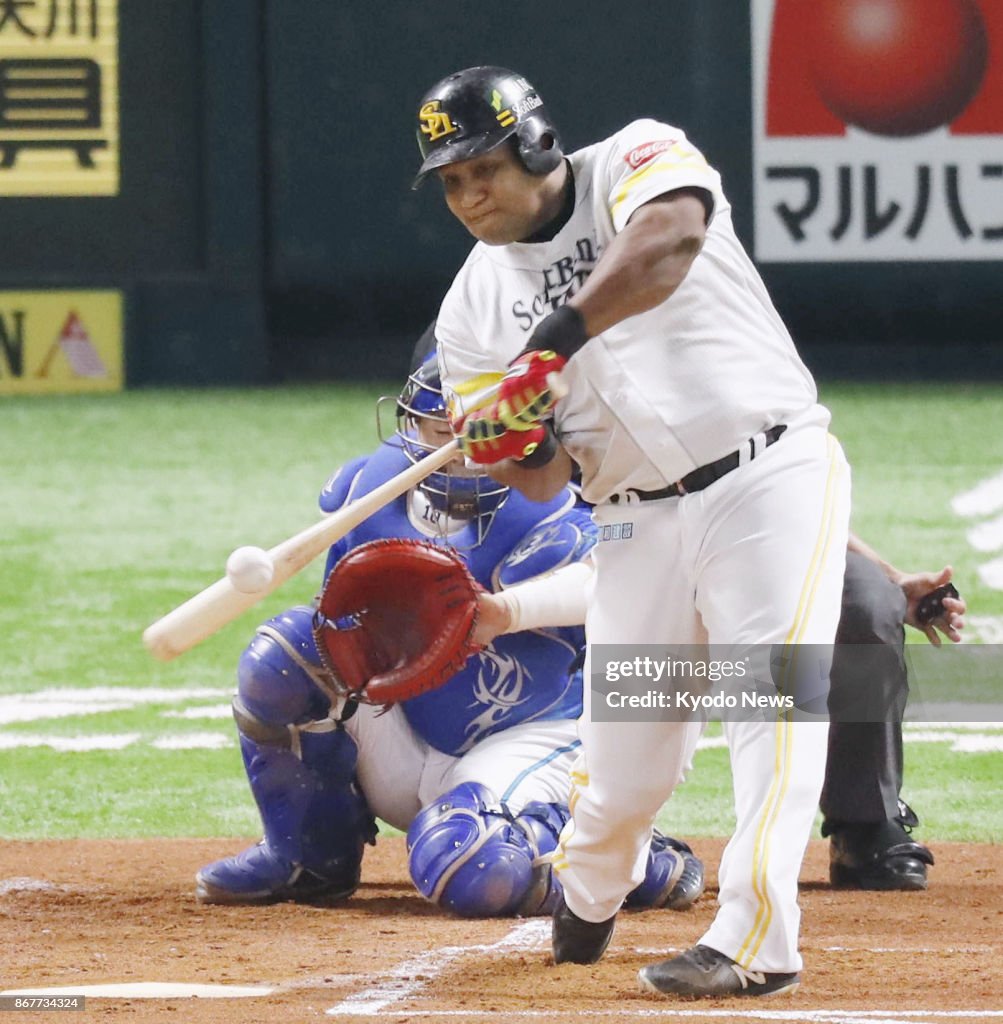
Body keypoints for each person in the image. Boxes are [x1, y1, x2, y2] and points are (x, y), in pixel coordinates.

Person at [414, 66, 852, 997]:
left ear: (534, 144)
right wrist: (512, 437)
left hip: (765, 475)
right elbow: (537, 480)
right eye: (449, 181)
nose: (468, 195)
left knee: (769, 709)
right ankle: (590, 885)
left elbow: (671, 240)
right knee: (623, 763)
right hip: (630, 522)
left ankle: (755, 937)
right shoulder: (471, 307)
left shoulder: (632, 160)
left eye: (480, 167)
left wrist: (549, 346)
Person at [195, 357, 704, 919]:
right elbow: (337, 631)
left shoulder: (576, 490)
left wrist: (502, 611)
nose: (457, 450)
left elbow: (604, 584)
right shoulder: (370, 489)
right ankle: (309, 859)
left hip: (533, 733)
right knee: (287, 657)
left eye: (479, 434)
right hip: (406, 729)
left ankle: (623, 861)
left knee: (471, 868)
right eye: (439, 431)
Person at [823, 536, 965, 890]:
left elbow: (811, 502)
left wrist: (893, 577)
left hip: (769, 529)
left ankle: (863, 821)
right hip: (666, 534)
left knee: (870, 600)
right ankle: (657, 821)